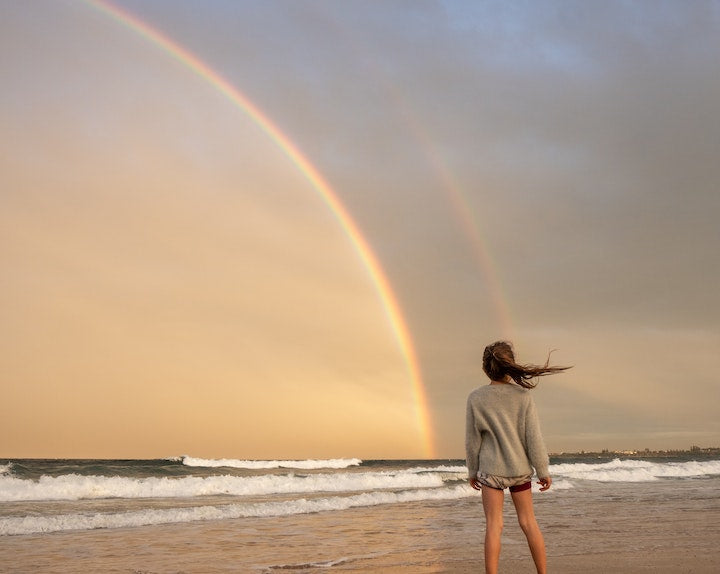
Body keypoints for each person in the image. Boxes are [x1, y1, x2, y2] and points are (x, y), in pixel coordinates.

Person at [466, 341, 571, 574]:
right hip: (519, 470)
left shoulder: (476, 397)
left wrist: (472, 471)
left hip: (490, 471)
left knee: (494, 526)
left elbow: (472, 440)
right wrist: (543, 470)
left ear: (485, 368)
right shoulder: (523, 396)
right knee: (529, 523)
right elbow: (533, 437)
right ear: (510, 366)